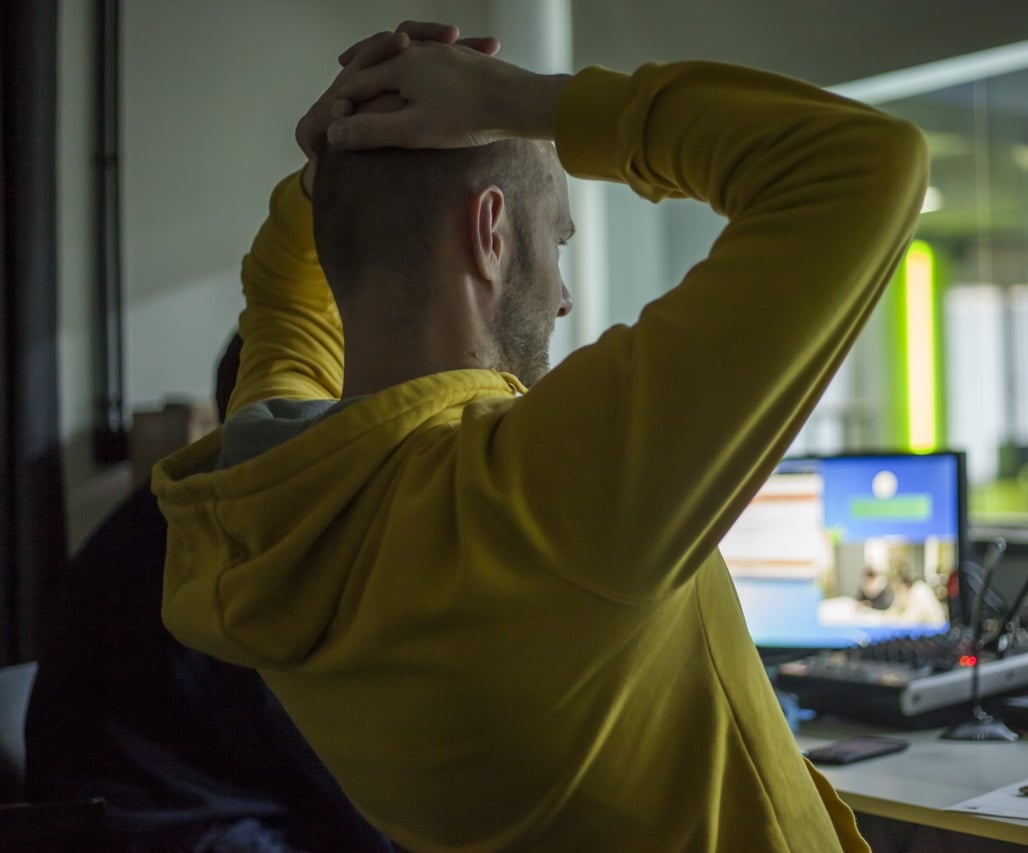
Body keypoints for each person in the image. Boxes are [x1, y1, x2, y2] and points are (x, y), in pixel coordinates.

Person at [155, 21, 927, 852]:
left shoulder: (265, 490)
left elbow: (284, 288)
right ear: (490, 235)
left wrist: (343, 153)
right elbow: (862, 162)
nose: (563, 296)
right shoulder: (539, 494)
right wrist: (520, 100)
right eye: (558, 238)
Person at [24, 334, 389, 852]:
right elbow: (330, 765)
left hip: (184, 812)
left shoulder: (190, 509)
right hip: (166, 831)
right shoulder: (237, 548)